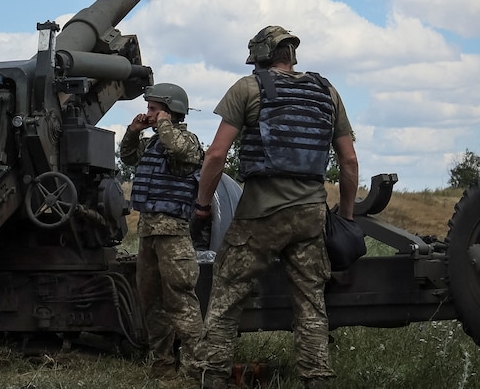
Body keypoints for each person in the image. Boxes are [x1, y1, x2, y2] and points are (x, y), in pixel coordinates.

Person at [191, 26, 358, 389]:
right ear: (291, 55)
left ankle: (215, 376)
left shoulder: (248, 88)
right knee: (311, 302)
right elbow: (349, 162)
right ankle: (318, 380)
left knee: (226, 290)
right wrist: (344, 218)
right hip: (312, 214)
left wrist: (203, 205)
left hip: (261, 213)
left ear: (261, 56)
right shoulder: (326, 91)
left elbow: (216, 154)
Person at [119, 83, 205, 380]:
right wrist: (133, 131)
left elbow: (180, 151)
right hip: (148, 234)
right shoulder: (155, 144)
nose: (148, 114)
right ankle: (163, 365)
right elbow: (128, 158)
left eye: (154, 109)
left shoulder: (186, 140)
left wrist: (165, 125)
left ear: (171, 112)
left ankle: (197, 369)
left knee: (180, 301)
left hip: (174, 236)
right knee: (151, 301)